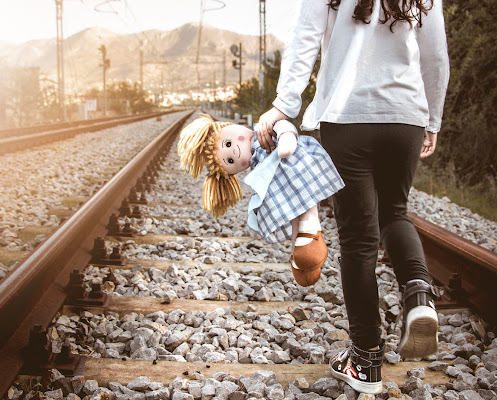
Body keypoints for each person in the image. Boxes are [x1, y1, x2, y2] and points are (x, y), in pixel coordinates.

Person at [257, 0, 449, 395]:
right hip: (405, 116)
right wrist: (432, 120)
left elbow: (305, 40)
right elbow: (435, 55)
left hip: (347, 118)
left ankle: (365, 360)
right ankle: (418, 293)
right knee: (395, 213)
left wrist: (283, 106)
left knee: (360, 239)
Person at [178, 113, 344, 286]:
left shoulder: (263, 130)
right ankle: (299, 254)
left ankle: (312, 234)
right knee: (294, 214)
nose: (234, 151)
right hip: (285, 184)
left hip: (297, 166)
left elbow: (283, 126)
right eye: (230, 160)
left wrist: (286, 138)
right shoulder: (256, 161)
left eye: (228, 144)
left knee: (306, 208)